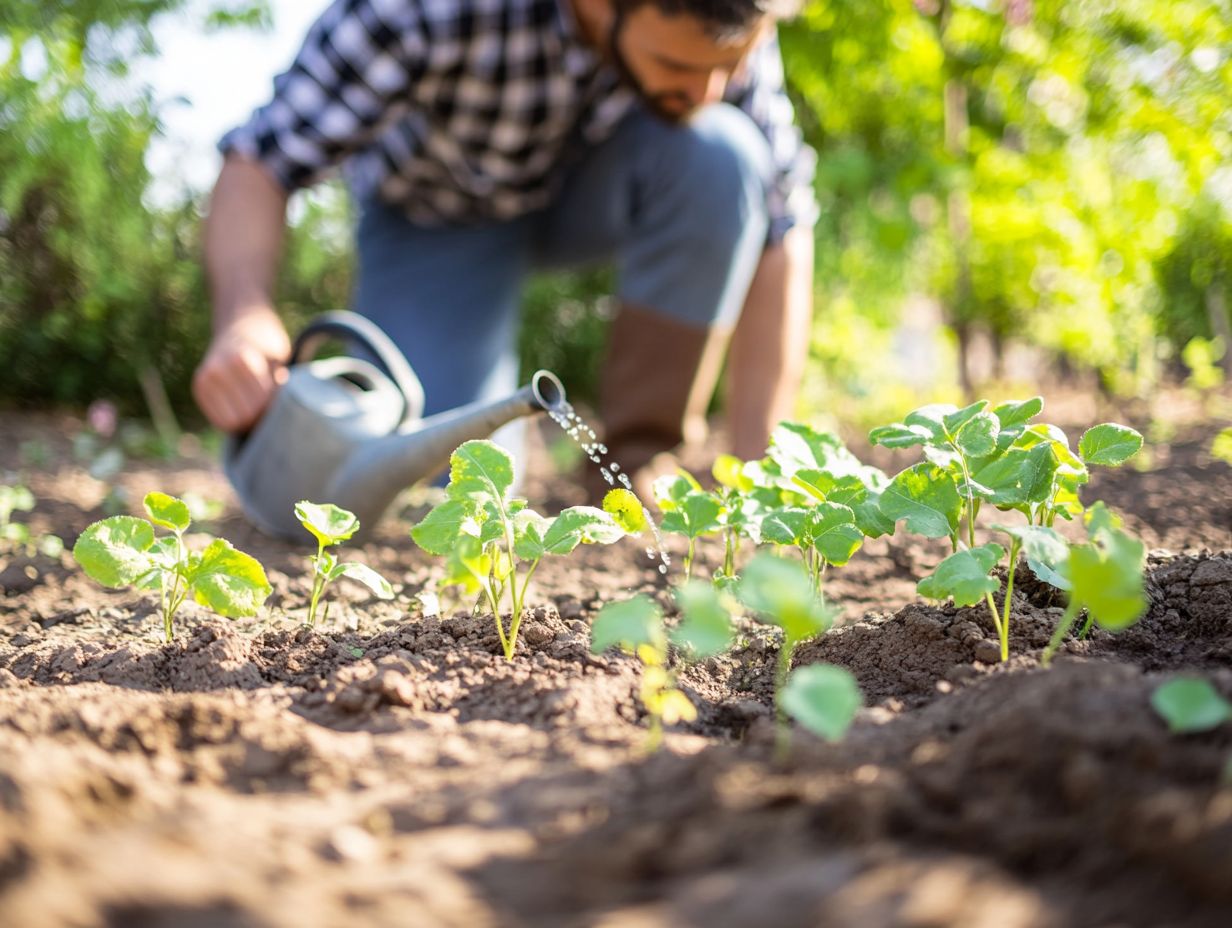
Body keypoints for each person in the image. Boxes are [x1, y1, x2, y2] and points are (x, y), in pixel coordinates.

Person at [192, 0, 818, 499]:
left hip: (592, 193)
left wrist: (762, 469)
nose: (708, 89)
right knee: (458, 484)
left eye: (727, 68)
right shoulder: (421, 11)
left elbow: (782, 230)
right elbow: (261, 160)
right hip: (435, 224)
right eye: (679, 67)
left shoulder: (718, 33)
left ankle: (631, 469)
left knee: (724, 154)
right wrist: (244, 315)